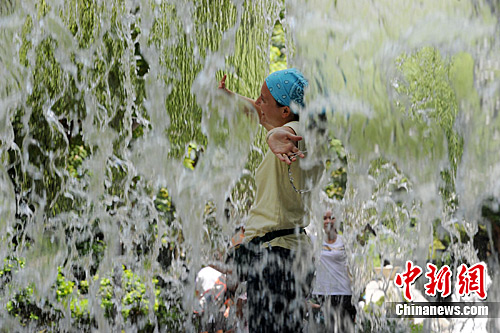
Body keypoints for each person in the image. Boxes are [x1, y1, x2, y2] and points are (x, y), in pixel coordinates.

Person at [218, 68, 322, 332]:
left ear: (285, 110)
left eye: (263, 98)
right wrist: (228, 96)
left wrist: (273, 136)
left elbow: (292, 132)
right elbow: (256, 110)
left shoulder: (297, 134)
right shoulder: (286, 126)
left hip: (279, 259)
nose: (257, 102)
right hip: (278, 254)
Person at [310, 210, 356, 331]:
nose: (328, 221)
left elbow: (354, 269)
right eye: (325, 218)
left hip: (344, 295)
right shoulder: (313, 241)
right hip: (321, 296)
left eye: (332, 218)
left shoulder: (345, 241)